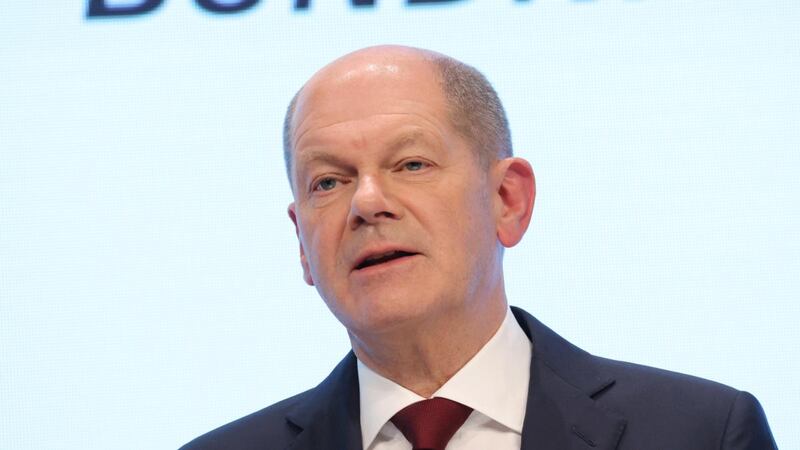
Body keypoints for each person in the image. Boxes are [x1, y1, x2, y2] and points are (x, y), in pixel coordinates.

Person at [181, 45, 777, 450]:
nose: (366, 202)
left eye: (411, 164)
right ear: (302, 244)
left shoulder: (701, 432)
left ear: (507, 200)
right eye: (328, 182)